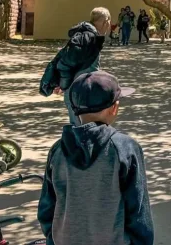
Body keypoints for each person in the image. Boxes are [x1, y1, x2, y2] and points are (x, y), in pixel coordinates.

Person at [37, 71, 153, 245]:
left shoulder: (58, 150)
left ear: (75, 110)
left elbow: (47, 208)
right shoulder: (125, 148)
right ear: (115, 108)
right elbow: (138, 211)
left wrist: (52, 238)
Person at [40, 8, 111, 125]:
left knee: (84, 130)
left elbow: (83, 64)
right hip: (78, 93)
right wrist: (64, 85)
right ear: (106, 22)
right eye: (109, 23)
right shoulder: (88, 38)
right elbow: (65, 64)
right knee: (80, 130)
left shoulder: (91, 37)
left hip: (83, 91)